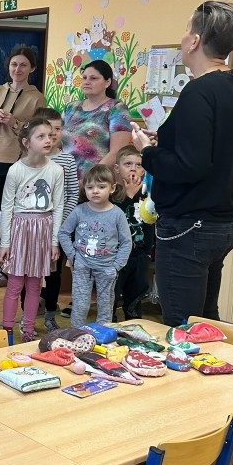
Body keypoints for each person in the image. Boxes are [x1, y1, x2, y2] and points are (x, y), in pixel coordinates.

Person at [133, 0, 233, 325]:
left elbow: (189, 167)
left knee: (182, 326)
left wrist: (147, 152)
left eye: (187, 30)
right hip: (222, 222)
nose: (183, 37)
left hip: (190, 226)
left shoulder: (198, 92)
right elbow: (232, 154)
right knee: (205, 321)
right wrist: (167, 140)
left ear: (195, 41)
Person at [0, 47, 46, 287]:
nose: (18, 69)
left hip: (18, 163)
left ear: (32, 68)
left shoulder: (36, 97)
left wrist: (14, 122)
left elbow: (37, 133)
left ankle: (8, 266)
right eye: (14, 64)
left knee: (11, 215)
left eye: (23, 65)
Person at [0, 117, 65, 342]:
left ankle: (28, 329)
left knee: (35, 285)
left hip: (43, 230)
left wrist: (54, 242)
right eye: (41, 136)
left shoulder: (56, 170)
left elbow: (58, 206)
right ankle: (7, 330)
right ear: (27, 143)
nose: (48, 140)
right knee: (15, 284)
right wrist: (5, 243)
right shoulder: (16, 170)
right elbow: (7, 207)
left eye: (50, 136)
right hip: (20, 229)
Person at [59, 164, 133, 328]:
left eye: (101, 187)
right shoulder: (79, 211)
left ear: (112, 188)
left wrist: (116, 266)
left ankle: (103, 336)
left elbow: (126, 242)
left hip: (107, 268)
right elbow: (63, 233)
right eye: (90, 187)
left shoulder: (117, 214)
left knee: (105, 307)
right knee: (80, 305)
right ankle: (76, 334)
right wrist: (73, 256)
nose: (95, 191)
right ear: (84, 189)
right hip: (82, 267)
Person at [61, 59, 134, 177]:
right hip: (64, 178)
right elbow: (56, 141)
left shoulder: (117, 109)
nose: (87, 82)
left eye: (93, 78)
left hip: (96, 181)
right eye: (84, 78)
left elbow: (117, 152)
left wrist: (89, 179)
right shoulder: (71, 107)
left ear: (107, 82)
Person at [41, 108, 80, 331]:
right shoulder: (29, 159)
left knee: (54, 272)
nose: (53, 134)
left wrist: (61, 223)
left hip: (59, 227)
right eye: (47, 130)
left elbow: (73, 194)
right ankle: (28, 313)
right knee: (29, 272)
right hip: (33, 226)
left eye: (57, 129)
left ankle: (50, 314)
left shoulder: (67, 159)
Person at [113, 146, 155, 319]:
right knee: (111, 296)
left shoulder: (147, 195)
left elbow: (149, 224)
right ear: (117, 168)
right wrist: (128, 197)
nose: (133, 169)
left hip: (138, 255)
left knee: (135, 298)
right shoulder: (111, 194)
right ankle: (109, 326)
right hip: (115, 257)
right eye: (128, 164)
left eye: (138, 165)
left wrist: (147, 252)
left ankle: (133, 326)